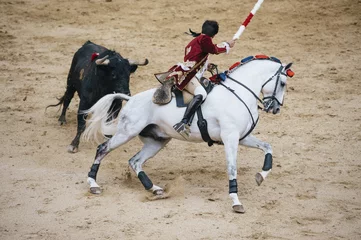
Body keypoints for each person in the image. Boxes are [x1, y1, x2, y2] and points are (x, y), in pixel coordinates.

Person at [171, 20, 236, 138]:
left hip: (189, 73)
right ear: (214, 35)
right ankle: (184, 123)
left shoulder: (194, 41)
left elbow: (195, 59)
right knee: (202, 93)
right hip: (189, 77)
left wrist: (206, 66)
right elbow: (214, 49)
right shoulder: (205, 39)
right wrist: (227, 44)